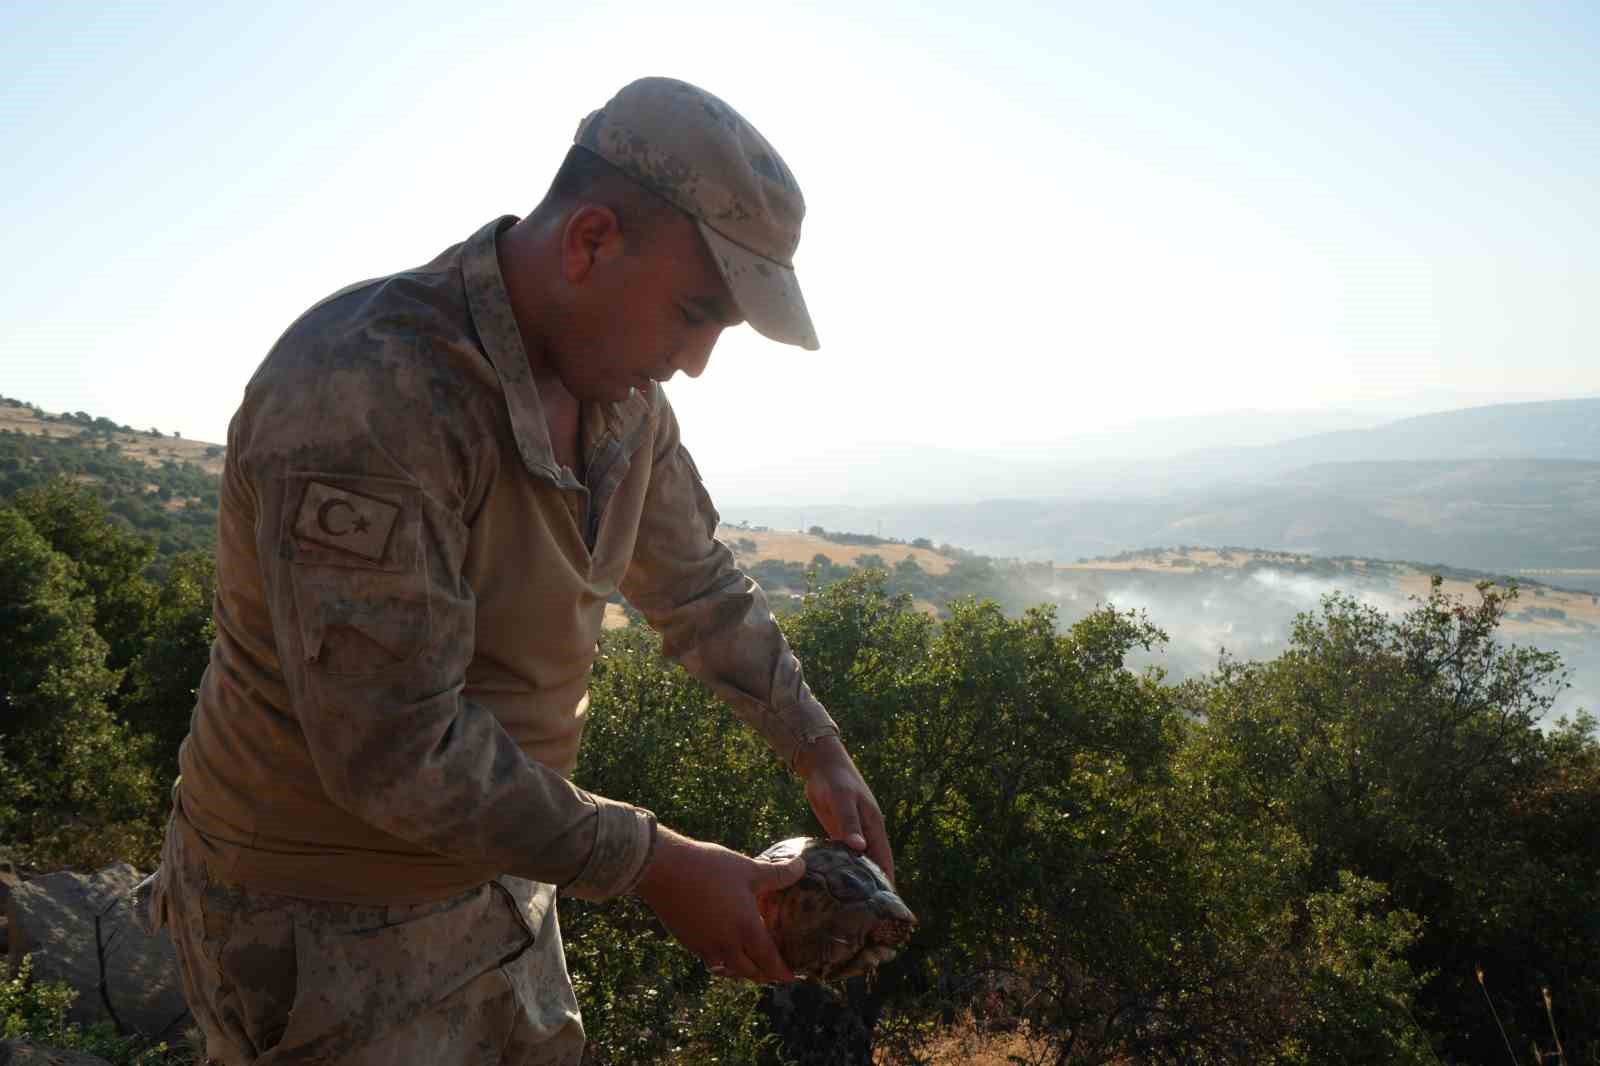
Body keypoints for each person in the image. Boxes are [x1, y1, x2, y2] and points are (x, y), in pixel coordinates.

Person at [144, 76, 893, 1065]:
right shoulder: (369, 390)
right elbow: (394, 748)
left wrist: (815, 748)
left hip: (506, 885)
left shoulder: (623, 402)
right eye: (693, 311)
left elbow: (699, 588)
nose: (698, 361)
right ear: (590, 240)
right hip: (320, 924)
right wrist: (660, 865)